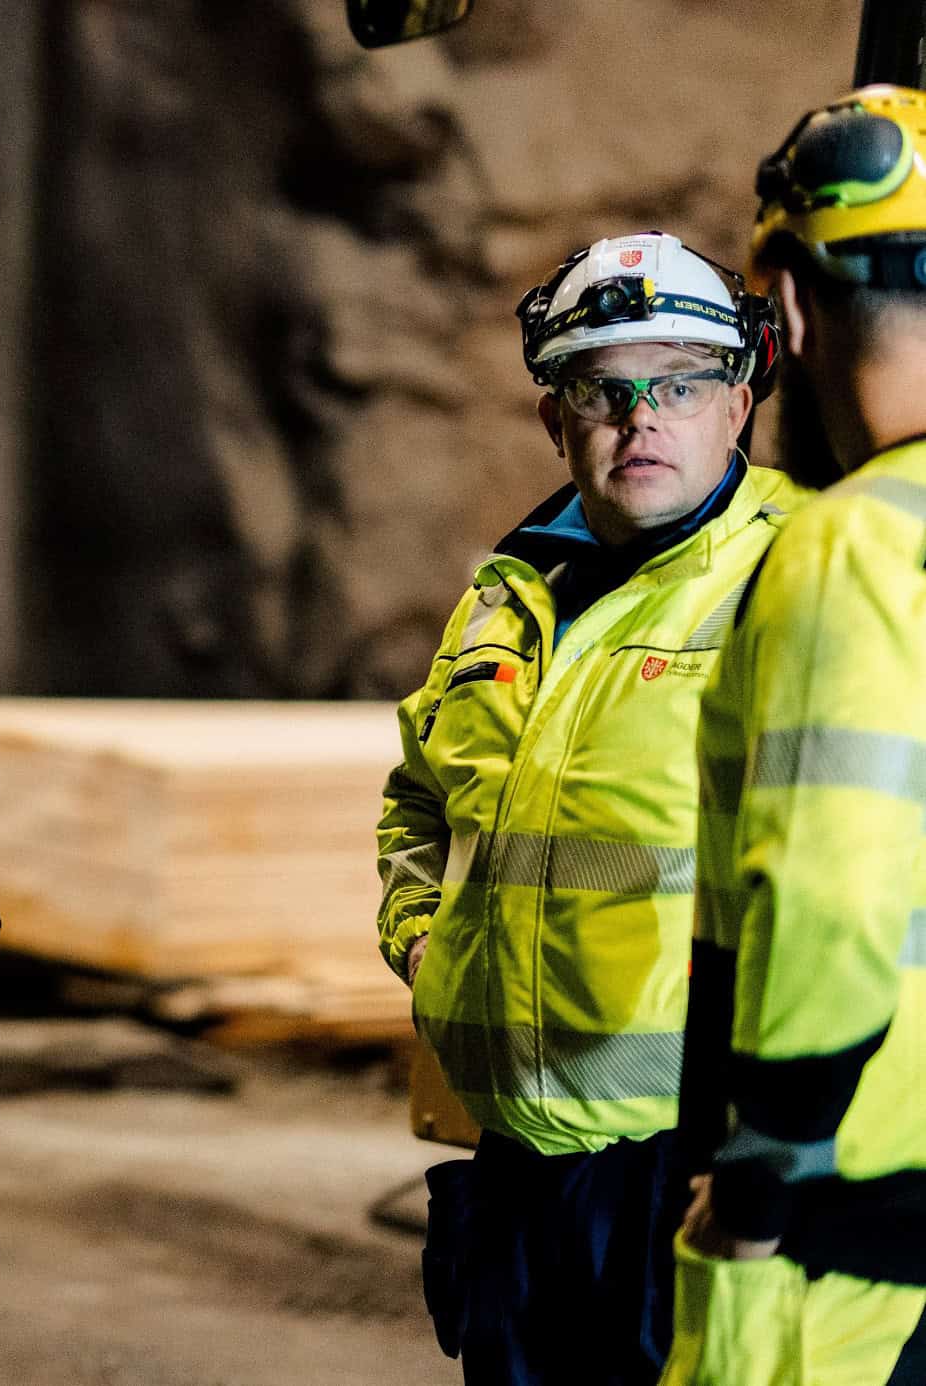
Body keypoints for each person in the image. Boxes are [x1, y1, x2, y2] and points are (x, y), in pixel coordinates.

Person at [375, 229, 806, 1383]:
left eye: (678, 381)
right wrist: (419, 939)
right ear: (551, 418)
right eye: (600, 389)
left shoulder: (795, 582)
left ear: (740, 396)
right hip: (513, 1166)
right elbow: (417, 799)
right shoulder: (504, 598)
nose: (639, 418)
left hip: (690, 1167)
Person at [663, 85, 926, 1385]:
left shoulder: (855, 543)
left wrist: (756, 1184)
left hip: (860, 1221)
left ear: (798, 310)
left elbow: (830, 890)